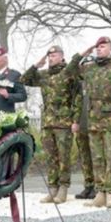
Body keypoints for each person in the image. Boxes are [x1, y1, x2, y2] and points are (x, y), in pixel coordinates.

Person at [70, 37, 111, 208]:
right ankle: (100, 191)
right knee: (97, 158)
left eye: (103, 46)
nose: (99, 49)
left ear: (110, 48)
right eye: (97, 47)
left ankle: (110, 193)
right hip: (94, 119)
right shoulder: (89, 68)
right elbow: (70, 70)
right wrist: (83, 53)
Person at [20, 45, 79, 204]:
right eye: (49, 56)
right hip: (48, 122)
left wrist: (75, 120)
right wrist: (35, 66)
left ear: (61, 56)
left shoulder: (68, 73)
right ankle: (52, 189)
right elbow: (23, 80)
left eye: (53, 55)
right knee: (50, 157)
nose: (50, 58)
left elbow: (77, 97)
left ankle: (63, 189)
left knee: (63, 157)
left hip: (64, 122)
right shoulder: (43, 75)